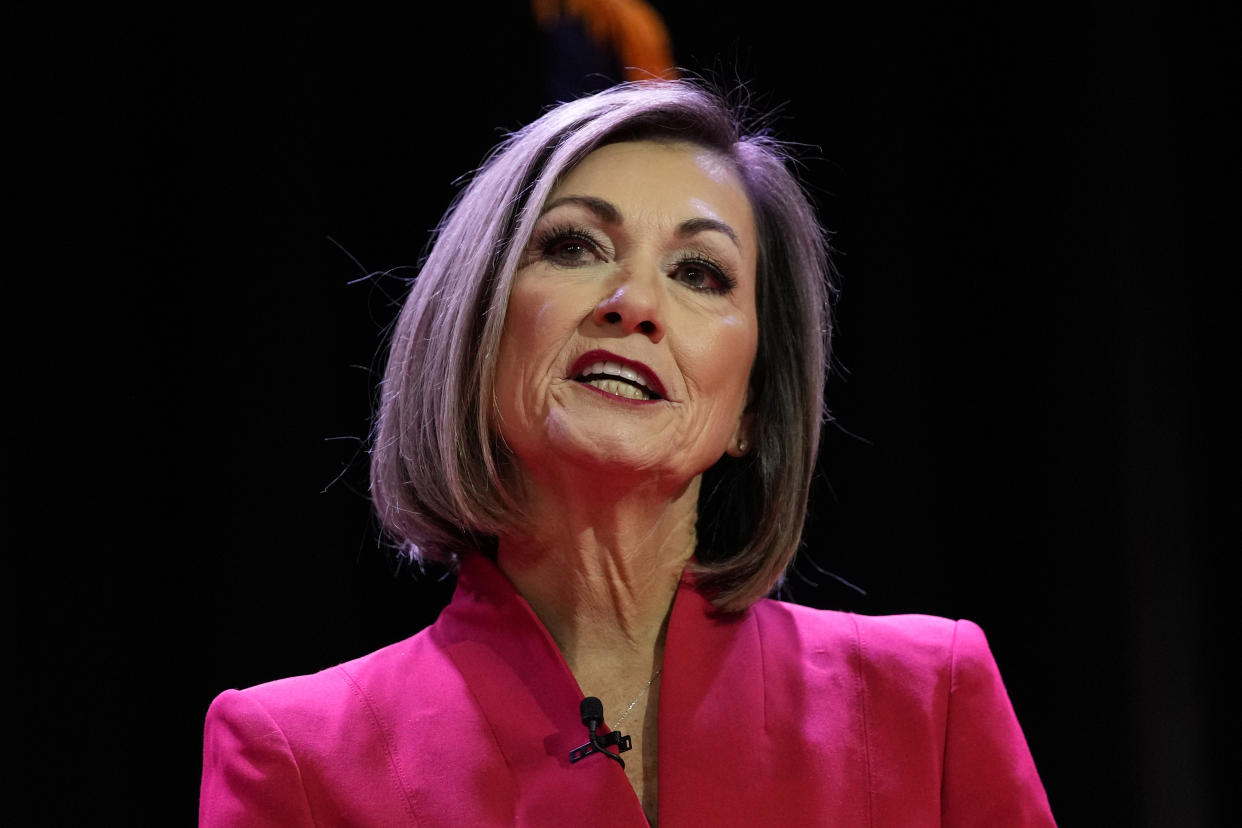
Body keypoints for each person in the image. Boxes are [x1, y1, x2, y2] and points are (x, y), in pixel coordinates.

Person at [199, 80, 1056, 826]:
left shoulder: (927, 703)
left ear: (753, 403)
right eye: (575, 246)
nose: (635, 301)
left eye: (699, 274)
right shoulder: (295, 757)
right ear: (477, 335)